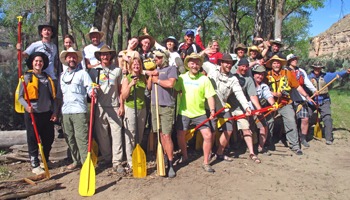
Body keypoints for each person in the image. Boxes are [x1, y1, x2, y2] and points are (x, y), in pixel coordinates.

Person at [202, 53, 251, 161]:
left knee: (229, 129)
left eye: (230, 63)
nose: (229, 65)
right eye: (227, 63)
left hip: (223, 107)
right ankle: (208, 152)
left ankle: (219, 152)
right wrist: (204, 51)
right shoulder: (212, 68)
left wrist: (247, 107)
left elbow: (239, 93)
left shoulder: (233, 79)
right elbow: (201, 61)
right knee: (211, 131)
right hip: (209, 106)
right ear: (221, 63)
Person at [174, 53, 216, 173]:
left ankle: (206, 162)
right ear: (188, 64)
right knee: (180, 135)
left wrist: (212, 111)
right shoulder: (182, 78)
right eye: (192, 62)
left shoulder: (204, 79)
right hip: (184, 112)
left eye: (197, 63)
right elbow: (175, 90)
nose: (195, 65)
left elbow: (210, 97)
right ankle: (185, 156)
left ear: (200, 65)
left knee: (208, 136)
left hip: (200, 113)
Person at [265, 55, 314, 155]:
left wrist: (307, 96)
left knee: (291, 121)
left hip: (285, 103)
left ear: (281, 64)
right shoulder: (267, 75)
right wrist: (273, 94)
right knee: (268, 122)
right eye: (274, 63)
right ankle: (267, 143)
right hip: (271, 103)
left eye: (278, 63)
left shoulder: (288, 73)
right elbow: (262, 89)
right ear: (271, 64)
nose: (276, 65)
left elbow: (297, 86)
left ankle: (295, 146)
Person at [18, 52, 58, 175]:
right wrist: (27, 107)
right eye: (36, 61)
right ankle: (35, 164)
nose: (38, 63)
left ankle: (45, 160)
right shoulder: (26, 77)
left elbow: (54, 98)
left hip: (47, 113)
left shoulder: (47, 78)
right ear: (32, 63)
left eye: (40, 61)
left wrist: (55, 112)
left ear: (43, 63)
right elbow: (20, 97)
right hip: (32, 114)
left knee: (49, 138)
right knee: (33, 139)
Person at [89, 45, 124, 171]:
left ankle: (117, 161)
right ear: (99, 56)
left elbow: (121, 90)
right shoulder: (94, 71)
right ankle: (107, 157)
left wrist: (121, 105)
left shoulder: (117, 71)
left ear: (111, 56)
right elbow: (89, 88)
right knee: (102, 134)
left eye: (107, 54)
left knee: (116, 133)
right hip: (99, 106)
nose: (105, 56)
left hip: (114, 105)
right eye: (102, 54)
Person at [58, 47, 94, 170]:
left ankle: (87, 165)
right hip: (66, 111)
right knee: (70, 138)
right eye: (69, 57)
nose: (72, 59)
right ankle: (76, 160)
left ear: (77, 59)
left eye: (74, 57)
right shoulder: (62, 76)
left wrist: (92, 92)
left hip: (79, 111)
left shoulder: (83, 74)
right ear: (66, 59)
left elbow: (90, 88)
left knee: (81, 139)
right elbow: (59, 95)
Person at [147, 49, 177, 178]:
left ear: (164, 58)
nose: (156, 60)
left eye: (158, 58)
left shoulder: (171, 69)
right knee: (159, 134)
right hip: (155, 105)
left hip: (166, 106)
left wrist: (157, 80)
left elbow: (171, 84)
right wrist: (150, 76)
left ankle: (171, 163)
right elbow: (149, 88)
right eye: (155, 58)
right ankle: (163, 157)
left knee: (166, 135)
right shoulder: (155, 70)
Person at [227, 58, 262, 163]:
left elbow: (252, 95)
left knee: (246, 128)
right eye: (242, 66)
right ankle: (223, 150)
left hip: (240, 108)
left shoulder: (249, 79)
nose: (244, 68)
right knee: (225, 129)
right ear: (238, 66)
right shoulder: (231, 74)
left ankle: (252, 152)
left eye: (246, 66)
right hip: (227, 106)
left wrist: (258, 108)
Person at [308, 62, 350, 145]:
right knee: (305, 117)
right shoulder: (308, 77)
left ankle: (328, 138)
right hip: (312, 101)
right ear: (313, 68)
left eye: (319, 68)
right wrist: (310, 100)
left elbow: (338, 74)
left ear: (321, 68)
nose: (317, 69)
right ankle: (303, 135)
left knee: (327, 118)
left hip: (324, 101)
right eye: (315, 68)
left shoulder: (327, 76)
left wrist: (347, 72)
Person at [121, 57, 148, 171]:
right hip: (131, 108)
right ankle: (130, 161)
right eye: (134, 64)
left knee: (139, 133)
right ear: (131, 66)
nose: (136, 66)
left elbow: (148, 88)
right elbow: (123, 96)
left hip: (142, 108)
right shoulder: (127, 78)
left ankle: (137, 155)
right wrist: (131, 84)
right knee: (130, 135)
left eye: (138, 64)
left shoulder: (143, 78)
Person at [286, 54, 317, 148]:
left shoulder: (301, 71)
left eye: (296, 59)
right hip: (289, 98)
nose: (295, 60)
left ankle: (303, 138)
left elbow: (307, 82)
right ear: (289, 61)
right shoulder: (285, 71)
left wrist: (314, 90)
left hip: (301, 98)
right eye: (293, 59)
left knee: (305, 119)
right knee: (291, 120)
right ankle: (289, 138)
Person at [251, 64, 276, 154]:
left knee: (263, 127)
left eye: (262, 74)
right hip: (248, 110)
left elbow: (268, 96)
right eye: (258, 74)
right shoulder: (249, 84)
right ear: (253, 74)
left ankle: (261, 147)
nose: (260, 76)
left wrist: (273, 104)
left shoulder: (264, 86)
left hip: (259, 112)